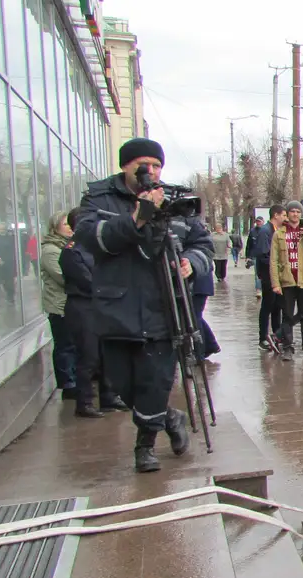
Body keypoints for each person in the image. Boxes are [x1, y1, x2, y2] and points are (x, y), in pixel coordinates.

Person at [75, 137, 212, 473]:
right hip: (117, 305)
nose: (150, 172)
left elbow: (202, 244)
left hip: (164, 305)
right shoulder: (100, 196)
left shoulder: (177, 198)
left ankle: (145, 446)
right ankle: (168, 417)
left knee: (156, 379)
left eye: (156, 165)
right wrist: (137, 218)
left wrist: (192, 262)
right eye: (142, 165)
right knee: (122, 383)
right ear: (125, 166)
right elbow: (90, 238)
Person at [61, 208, 128, 418]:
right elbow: (86, 280)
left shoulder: (96, 248)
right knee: (89, 356)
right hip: (83, 307)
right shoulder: (72, 250)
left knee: (106, 353)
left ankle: (109, 397)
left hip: (100, 306)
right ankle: (85, 402)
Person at [270, 201, 303, 360]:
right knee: (287, 315)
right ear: (287, 214)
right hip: (287, 280)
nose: (295, 215)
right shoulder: (279, 234)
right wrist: (275, 283)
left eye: (298, 212)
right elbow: (273, 260)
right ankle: (287, 347)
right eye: (292, 211)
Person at [40, 211, 77, 401]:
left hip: (70, 304)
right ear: (55, 227)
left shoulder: (68, 246)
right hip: (59, 306)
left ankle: (74, 379)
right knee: (65, 345)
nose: (70, 227)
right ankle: (68, 383)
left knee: (73, 344)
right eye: (65, 224)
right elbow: (63, 277)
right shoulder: (51, 250)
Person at [256, 206, 285, 348]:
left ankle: (277, 335)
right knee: (267, 306)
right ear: (276, 215)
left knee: (277, 306)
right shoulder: (265, 231)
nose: (285, 218)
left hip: (278, 275)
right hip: (268, 275)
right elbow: (263, 255)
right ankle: (262, 338)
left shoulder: (277, 230)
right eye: (283, 215)